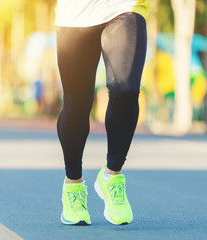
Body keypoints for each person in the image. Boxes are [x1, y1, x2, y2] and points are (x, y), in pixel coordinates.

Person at [55, 0, 149, 225]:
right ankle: (73, 183)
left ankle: (112, 175)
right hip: (74, 15)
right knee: (76, 103)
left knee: (126, 89)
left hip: (125, 8)